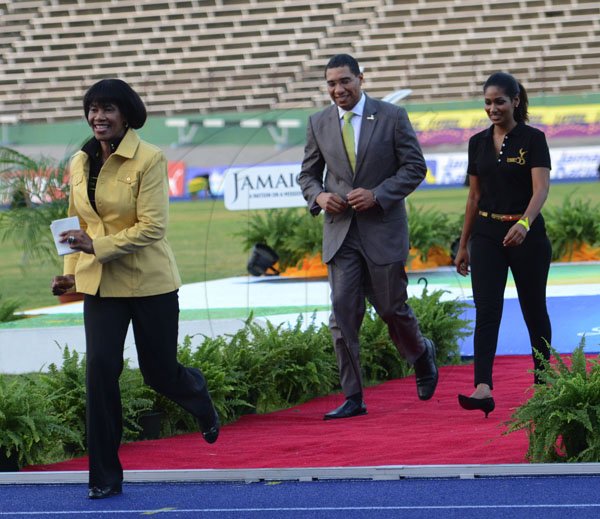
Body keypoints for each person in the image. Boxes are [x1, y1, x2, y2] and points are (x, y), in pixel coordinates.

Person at [51, 79, 219, 499]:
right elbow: (76, 224)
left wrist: (99, 246)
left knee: (159, 372)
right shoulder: (79, 160)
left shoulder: (149, 158)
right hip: (100, 285)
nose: (97, 116)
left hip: (151, 284)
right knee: (100, 374)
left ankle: (197, 394)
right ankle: (104, 475)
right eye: (92, 108)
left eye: (107, 108)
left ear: (126, 114)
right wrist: (71, 274)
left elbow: (154, 226)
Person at [297, 54, 438, 421]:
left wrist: (378, 194)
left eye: (345, 81)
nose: (338, 90)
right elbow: (308, 175)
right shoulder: (318, 123)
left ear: (361, 78)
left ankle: (421, 354)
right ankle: (353, 396)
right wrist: (319, 196)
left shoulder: (392, 116)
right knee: (342, 316)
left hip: (383, 230)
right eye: (331, 84)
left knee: (392, 309)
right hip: (340, 235)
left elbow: (415, 168)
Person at [455, 72, 552, 418]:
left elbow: (540, 189)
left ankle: (544, 385)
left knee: (533, 309)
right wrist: (463, 244)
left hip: (527, 236)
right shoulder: (477, 143)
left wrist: (525, 223)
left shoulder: (533, 138)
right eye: (487, 102)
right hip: (486, 236)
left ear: (515, 101)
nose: (492, 108)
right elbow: (474, 196)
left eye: (499, 101)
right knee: (487, 310)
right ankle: (483, 387)